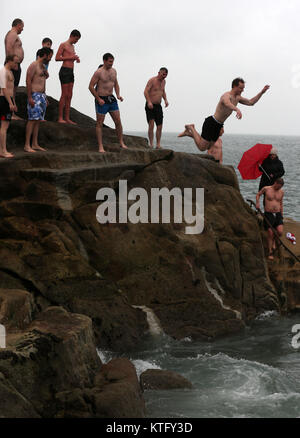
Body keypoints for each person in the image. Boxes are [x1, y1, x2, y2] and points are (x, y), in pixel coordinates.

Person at [178, 78, 270, 152]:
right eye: (241, 88)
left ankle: (188, 133)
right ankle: (191, 128)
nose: (243, 90)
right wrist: (236, 109)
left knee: (208, 147)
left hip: (219, 125)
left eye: (243, 88)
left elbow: (251, 102)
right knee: (202, 148)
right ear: (234, 86)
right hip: (211, 122)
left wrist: (262, 92)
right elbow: (227, 103)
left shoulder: (237, 98)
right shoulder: (226, 96)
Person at [88, 53, 127, 153]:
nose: (111, 63)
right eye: (110, 61)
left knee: (118, 121)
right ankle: (100, 146)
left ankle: (121, 142)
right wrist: (98, 98)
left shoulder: (114, 71)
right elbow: (91, 86)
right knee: (99, 124)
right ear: (104, 61)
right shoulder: (98, 72)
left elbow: (116, 84)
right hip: (101, 99)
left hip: (111, 99)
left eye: (112, 61)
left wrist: (118, 95)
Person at [24, 48, 50, 153]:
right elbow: (28, 80)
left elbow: (43, 81)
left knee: (38, 121)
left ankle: (34, 144)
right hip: (34, 95)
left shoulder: (43, 67)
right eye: (50, 56)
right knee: (32, 120)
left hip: (41, 96)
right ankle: (27, 145)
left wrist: (45, 96)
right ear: (45, 55)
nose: (50, 59)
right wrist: (30, 97)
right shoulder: (33, 65)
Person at [55, 30, 81, 124]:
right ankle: (60, 118)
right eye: (76, 39)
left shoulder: (73, 47)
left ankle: (67, 118)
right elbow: (57, 58)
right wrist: (71, 58)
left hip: (71, 71)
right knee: (64, 94)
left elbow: (71, 57)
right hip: (64, 70)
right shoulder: (63, 44)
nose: (76, 41)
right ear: (72, 36)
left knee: (70, 95)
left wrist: (76, 59)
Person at [256, 178, 284, 261]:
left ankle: (274, 242)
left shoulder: (281, 192)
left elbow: (281, 203)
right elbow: (258, 195)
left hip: (278, 214)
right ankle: (270, 252)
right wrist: (258, 203)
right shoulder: (266, 189)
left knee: (280, 232)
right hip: (269, 214)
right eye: (277, 187)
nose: (278, 189)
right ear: (275, 183)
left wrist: (281, 214)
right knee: (270, 232)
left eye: (280, 187)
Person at [144, 68, 169, 149]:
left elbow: (163, 91)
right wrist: (149, 102)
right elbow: (145, 91)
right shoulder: (152, 80)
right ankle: (151, 144)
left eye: (166, 75)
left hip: (158, 106)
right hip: (150, 105)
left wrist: (165, 100)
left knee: (159, 126)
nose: (164, 76)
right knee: (151, 124)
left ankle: (158, 144)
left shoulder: (164, 82)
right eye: (163, 74)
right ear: (159, 73)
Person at [4, 18, 24, 118]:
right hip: (13, 64)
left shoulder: (13, 34)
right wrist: (13, 63)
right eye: (22, 26)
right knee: (10, 88)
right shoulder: (12, 34)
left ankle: (11, 112)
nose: (23, 29)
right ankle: (9, 112)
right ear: (18, 25)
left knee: (13, 89)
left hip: (15, 64)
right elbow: (9, 48)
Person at [0, 55, 19, 158]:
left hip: (9, 100)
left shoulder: (10, 72)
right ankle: (3, 151)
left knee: (5, 126)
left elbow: (11, 90)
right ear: (8, 61)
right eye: (15, 62)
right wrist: (10, 103)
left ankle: (2, 150)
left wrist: (13, 103)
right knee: (4, 127)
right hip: (4, 100)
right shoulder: (3, 71)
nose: (16, 64)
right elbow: (4, 89)